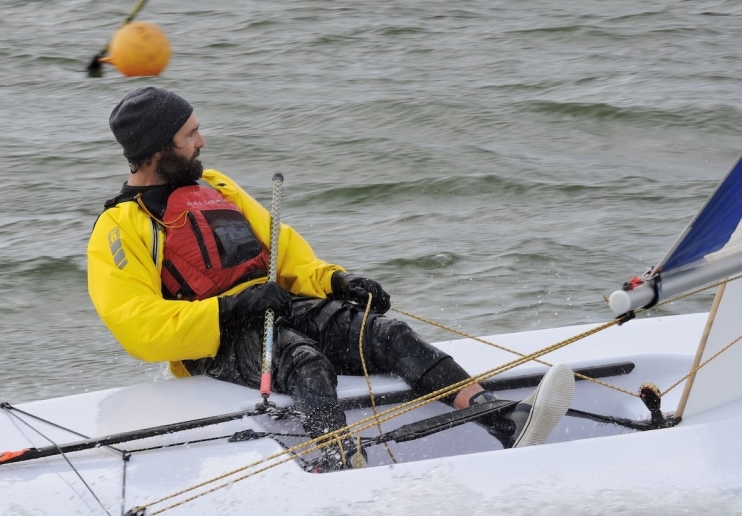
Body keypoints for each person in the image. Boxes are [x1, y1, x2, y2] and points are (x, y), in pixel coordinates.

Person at [87, 86, 574, 471]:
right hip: (214, 339)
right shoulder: (119, 227)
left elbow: (288, 254)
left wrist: (336, 281)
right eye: (189, 134)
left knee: (382, 333)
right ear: (155, 151)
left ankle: (500, 419)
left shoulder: (216, 187)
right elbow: (136, 324)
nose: (202, 140)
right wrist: (232, 308)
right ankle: (336, 461)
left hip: (275, 307)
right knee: (307, 362)